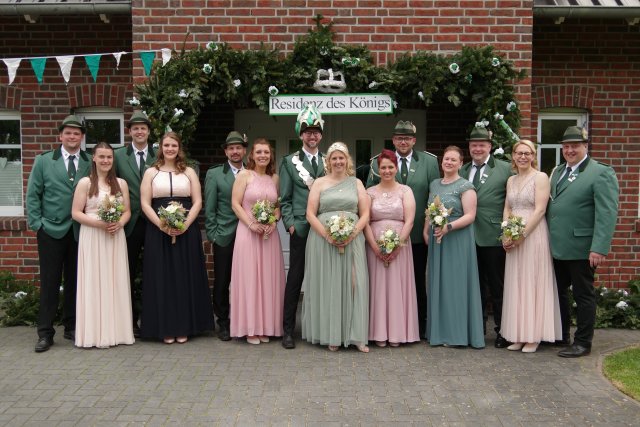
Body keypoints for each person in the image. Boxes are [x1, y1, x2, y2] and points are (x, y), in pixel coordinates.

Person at [548, 126, 619, 358]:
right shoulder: (558, 171)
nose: (570, 150)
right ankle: (562, 335)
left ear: (585, 146)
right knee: (558, 292)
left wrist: (599, 247)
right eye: (566, 146)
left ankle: (583, 342)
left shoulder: (600, 172)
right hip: (556, 246)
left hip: (582, 247)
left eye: (575, 146)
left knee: (583, 295)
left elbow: (607, 213)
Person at [366, 120, 439, 339]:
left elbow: (434, 197)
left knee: (416, 281)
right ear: (394, 140)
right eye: (399, 138)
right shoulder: (377, 162)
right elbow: (369, 196)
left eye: (407, 138)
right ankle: (381, 327)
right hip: (380, 236)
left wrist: (428, 226)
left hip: (417, 233)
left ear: (414, 140)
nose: (403, 142)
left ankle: (419, 326)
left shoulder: (429, 162)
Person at [139, 132, 214, 344]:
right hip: (158, 231)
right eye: (166, 145)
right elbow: (145, 203)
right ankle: (165, 327)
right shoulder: (151, 172)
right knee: (162, 277)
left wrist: (185, 224)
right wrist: (162, 225)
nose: (170, 149)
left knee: (184, 276)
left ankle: (185, 326)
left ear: (179, 148)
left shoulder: (189, 171)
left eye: (174, 145)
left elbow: (197, 201)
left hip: (186, 231)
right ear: (160, 148)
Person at [26, 115, 91, 353]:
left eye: (76, 133)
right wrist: (37, 224)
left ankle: (71, 326)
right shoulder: (44, 161)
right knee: (50, 282)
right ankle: (45, 332)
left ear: (82, 137)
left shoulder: (90, 161)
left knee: (75, 281)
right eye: (68, 133)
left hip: (78, 231)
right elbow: (33, 194)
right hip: (51, 230)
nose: (72, 136)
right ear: (60, 136)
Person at [301, 142, 371, 352]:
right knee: (329, 284)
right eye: (334, 158)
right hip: (323, 240)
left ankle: (357, 336)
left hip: (353, 239)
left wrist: (353, 233)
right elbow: (310, 214)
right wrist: (328, 236)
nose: (338, 161)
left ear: (347, 160)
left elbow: (365, 213)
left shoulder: (357, 183)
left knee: (355, 283)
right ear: (328, 161)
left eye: (341, 158)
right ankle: (332, 335)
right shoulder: (319, 183)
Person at [500, 139, 561, 353]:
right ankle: (519, 334)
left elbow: (540, 210)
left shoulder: (540, 177)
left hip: (533, 235)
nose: (523, 157)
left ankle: (533, 336)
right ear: (513, 156)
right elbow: (507, 208)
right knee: (517, 283)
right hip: (513, 234)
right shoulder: (511, 179)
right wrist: (507, 232)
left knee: (532, 281)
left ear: (533, 156)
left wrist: (523, 234)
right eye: (519, 153)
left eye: (527, 153)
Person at [72, 142, 135, 348]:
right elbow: (76, 213)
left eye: (109, 157)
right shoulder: (85, 183)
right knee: (94, 280)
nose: (106, 160)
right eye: (102, 157)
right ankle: (93, 334)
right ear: (94, 158)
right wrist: (99, 224)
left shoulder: (121, 184)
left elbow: (127, 211)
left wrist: (120, 223)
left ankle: (117, 332)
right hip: (92, 236)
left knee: (114, 280)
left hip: (114, 236)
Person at [423, 145, 484, 349]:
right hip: (437, 239)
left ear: (460, 163)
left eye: (453, 160)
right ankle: (439, 332)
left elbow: (470, 216)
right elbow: (430, 209)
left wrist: (448, 227)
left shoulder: (465, 186)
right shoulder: (434, 184)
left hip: (457, 239)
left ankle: (457, 334)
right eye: (446, 159)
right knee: (438, 285)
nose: (448, 162)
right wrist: (426, 230)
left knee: (456, 285)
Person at [459, 125, 512, 348]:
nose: (477, 149)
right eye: (474, 145)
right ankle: (477, 330)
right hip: (467, 236)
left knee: (498, 286)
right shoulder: (462, 170)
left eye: (481, 145)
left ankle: (503, 331)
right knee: (474, 286)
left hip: (493, 235)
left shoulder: (505, 169)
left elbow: (514, 200)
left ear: (490, 146)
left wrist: (509, 230)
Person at [229, 139, 286, 344]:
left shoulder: (275, 178)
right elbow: (235, 204)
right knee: (250, 278)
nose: (263, 155)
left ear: (271, 156)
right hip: (248, 233)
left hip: (269, 235)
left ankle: (266, 327)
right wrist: (251, 224)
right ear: (251, 155)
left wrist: (275, 221)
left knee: (268, 280)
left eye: (266, 152)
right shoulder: (244, 175)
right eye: (259, 152)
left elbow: (278, 206)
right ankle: (250, 328)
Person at [279, 104, 326, 349]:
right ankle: (288, 330)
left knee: (323, 278)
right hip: (301, 227)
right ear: (301, 134)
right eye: (308, 132)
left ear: (321, 135)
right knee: (295, 279)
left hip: (326, 228)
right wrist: (290, 225)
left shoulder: (330, 161)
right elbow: (284, 198)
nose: (312, 136)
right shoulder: (289, 162)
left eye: (316, 132)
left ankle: (321, 328)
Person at [364, 149, 419, 347]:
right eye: (383, 167)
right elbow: (365, 221)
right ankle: (377, 333)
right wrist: (374, 246)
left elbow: (410, 220)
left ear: (396, 168)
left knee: (397, 287)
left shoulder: (406, 191)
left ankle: (397, 333)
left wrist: (397, 246)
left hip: (400, 245)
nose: (387, 171)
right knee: (377, 287)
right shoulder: (369, 192)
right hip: (374, 245)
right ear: (378, 169)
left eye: (390, 167)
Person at [114, 111, 157, 337]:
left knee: (155, 271)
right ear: (129, 131)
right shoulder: (119, 156)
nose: (140, 131)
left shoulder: (160, 154)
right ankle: (129, 322)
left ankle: (154, 320)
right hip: (129, 222)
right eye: (135, 128)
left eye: (143, 128)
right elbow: (111, 185)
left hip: (155, 221)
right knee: (127, 272)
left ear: (149, 131)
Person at [204, 131, 247, 341]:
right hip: (224, 234)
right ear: (226, 152)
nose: (235, 151)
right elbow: (209, 207)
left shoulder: (252, 172)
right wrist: (213, 234)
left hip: (249, 234)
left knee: (246, 279)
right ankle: (223, 321)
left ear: (244, 150)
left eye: (238, 147)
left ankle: (245, 319)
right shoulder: (215, 174)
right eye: (231, 148)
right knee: (222, 280)